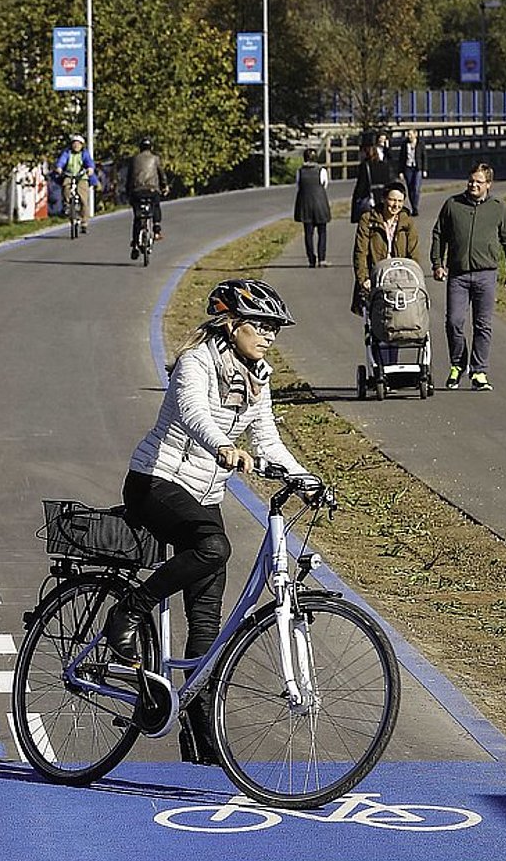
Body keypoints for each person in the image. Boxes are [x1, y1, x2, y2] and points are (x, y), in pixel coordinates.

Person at [105, 278, 310, 764]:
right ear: (232, 324)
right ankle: (128, 610)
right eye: (261, 326)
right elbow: (194, 412)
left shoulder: (258, 376)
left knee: (207, 622)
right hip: (154, 483)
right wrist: (221, 445)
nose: (270, 336)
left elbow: (267, 440)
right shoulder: (196, 362)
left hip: (203, 494)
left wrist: (307, 478)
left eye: (275, 328)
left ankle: (198, 732)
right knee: (215, 548)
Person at [431, 162, 506, 391]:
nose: (473, 185)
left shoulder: (498, 208)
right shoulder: (453, 205)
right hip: (458, 275)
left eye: (479, 182)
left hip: (485, 274)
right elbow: (439, 234)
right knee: (454, 322)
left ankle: (479, 371)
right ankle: (458, 365)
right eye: (471, 181)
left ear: (488, 184)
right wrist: (438, 263)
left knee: (482, 325)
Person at [351, 182, 420, 315]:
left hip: (400, 278)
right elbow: (361, 252)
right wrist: (363, 279)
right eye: (392, 200)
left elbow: (413, 254)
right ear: (383, 199)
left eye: (400, 201)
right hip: (375, 277)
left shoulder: (407, 222)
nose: (396, 205)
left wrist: (413, 278)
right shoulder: (367, 220)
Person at [125, 137, 168, 259]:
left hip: (137, 192)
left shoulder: (133, 159)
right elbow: (162, 175)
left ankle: (134, 243)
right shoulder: (155, 159)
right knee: (155, 206)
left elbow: (129, 178)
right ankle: (157, 229)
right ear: (151, 148)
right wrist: (164, 186)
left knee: (137, 217)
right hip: (152, 190)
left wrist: (128, 192)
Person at [293, 147, 332, 267]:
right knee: (322, 232)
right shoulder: (322, 171)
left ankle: (311, 259)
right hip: (320, 203)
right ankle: (322, 258)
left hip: (305, 205)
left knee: (308, 233)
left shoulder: (300, 172)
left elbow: (298, 186)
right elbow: (324, 185)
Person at [54, 134, 97, 232]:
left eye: (78, 144)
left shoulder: (84, 154)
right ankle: (68, 206)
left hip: (82, 177)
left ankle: (84, 222)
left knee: (83, 199)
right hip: (69, 175)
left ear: (82, 145)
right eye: (74, 143)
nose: (76, 146)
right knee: (66, 188)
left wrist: (90, 169)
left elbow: (89, 162)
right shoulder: (67, 153)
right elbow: (62, 161)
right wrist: (59, 167)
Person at [349, 138, 395, 225]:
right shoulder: (384, 165)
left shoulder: (365, 166)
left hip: (370, 200)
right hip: (383, 199)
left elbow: (361, 186)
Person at [394, 128, 427, 216]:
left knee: (416, 188)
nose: (409, 136)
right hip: (408, 168)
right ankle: (413, 206)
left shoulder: (420, 143)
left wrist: (424, 169)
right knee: (410, 188)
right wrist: (400, 171)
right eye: (408, 134)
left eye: (410, 134)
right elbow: (401, 158)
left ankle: (415, 207)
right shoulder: (404, 144)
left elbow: (424, 157)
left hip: (417, 168)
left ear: (415, 134)